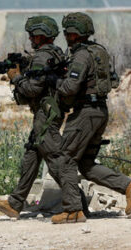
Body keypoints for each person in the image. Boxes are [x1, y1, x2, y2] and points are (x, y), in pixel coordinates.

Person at [51, 12, 131, 223]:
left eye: (67, 32)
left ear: (75, 34)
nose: (66, 36)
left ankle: (73, 210)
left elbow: (69, 87)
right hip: (99, 111)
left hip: (85, 113)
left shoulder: (81, 55)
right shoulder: (98, 51)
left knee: (66, 159)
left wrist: (54, 82)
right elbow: (111, 80)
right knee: (86, 165)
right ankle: (128, 186)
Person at [0, 16, 68, 219]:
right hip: (47, 111)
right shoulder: (51, 53)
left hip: (46, 113)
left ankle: (76, 204)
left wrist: (15, 77)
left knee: (54, 159)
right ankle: (15, 203)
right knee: (31, 156)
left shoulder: (43, 56)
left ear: (41, 35)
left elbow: (33, 89)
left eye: (32, 35)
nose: (30, 39)